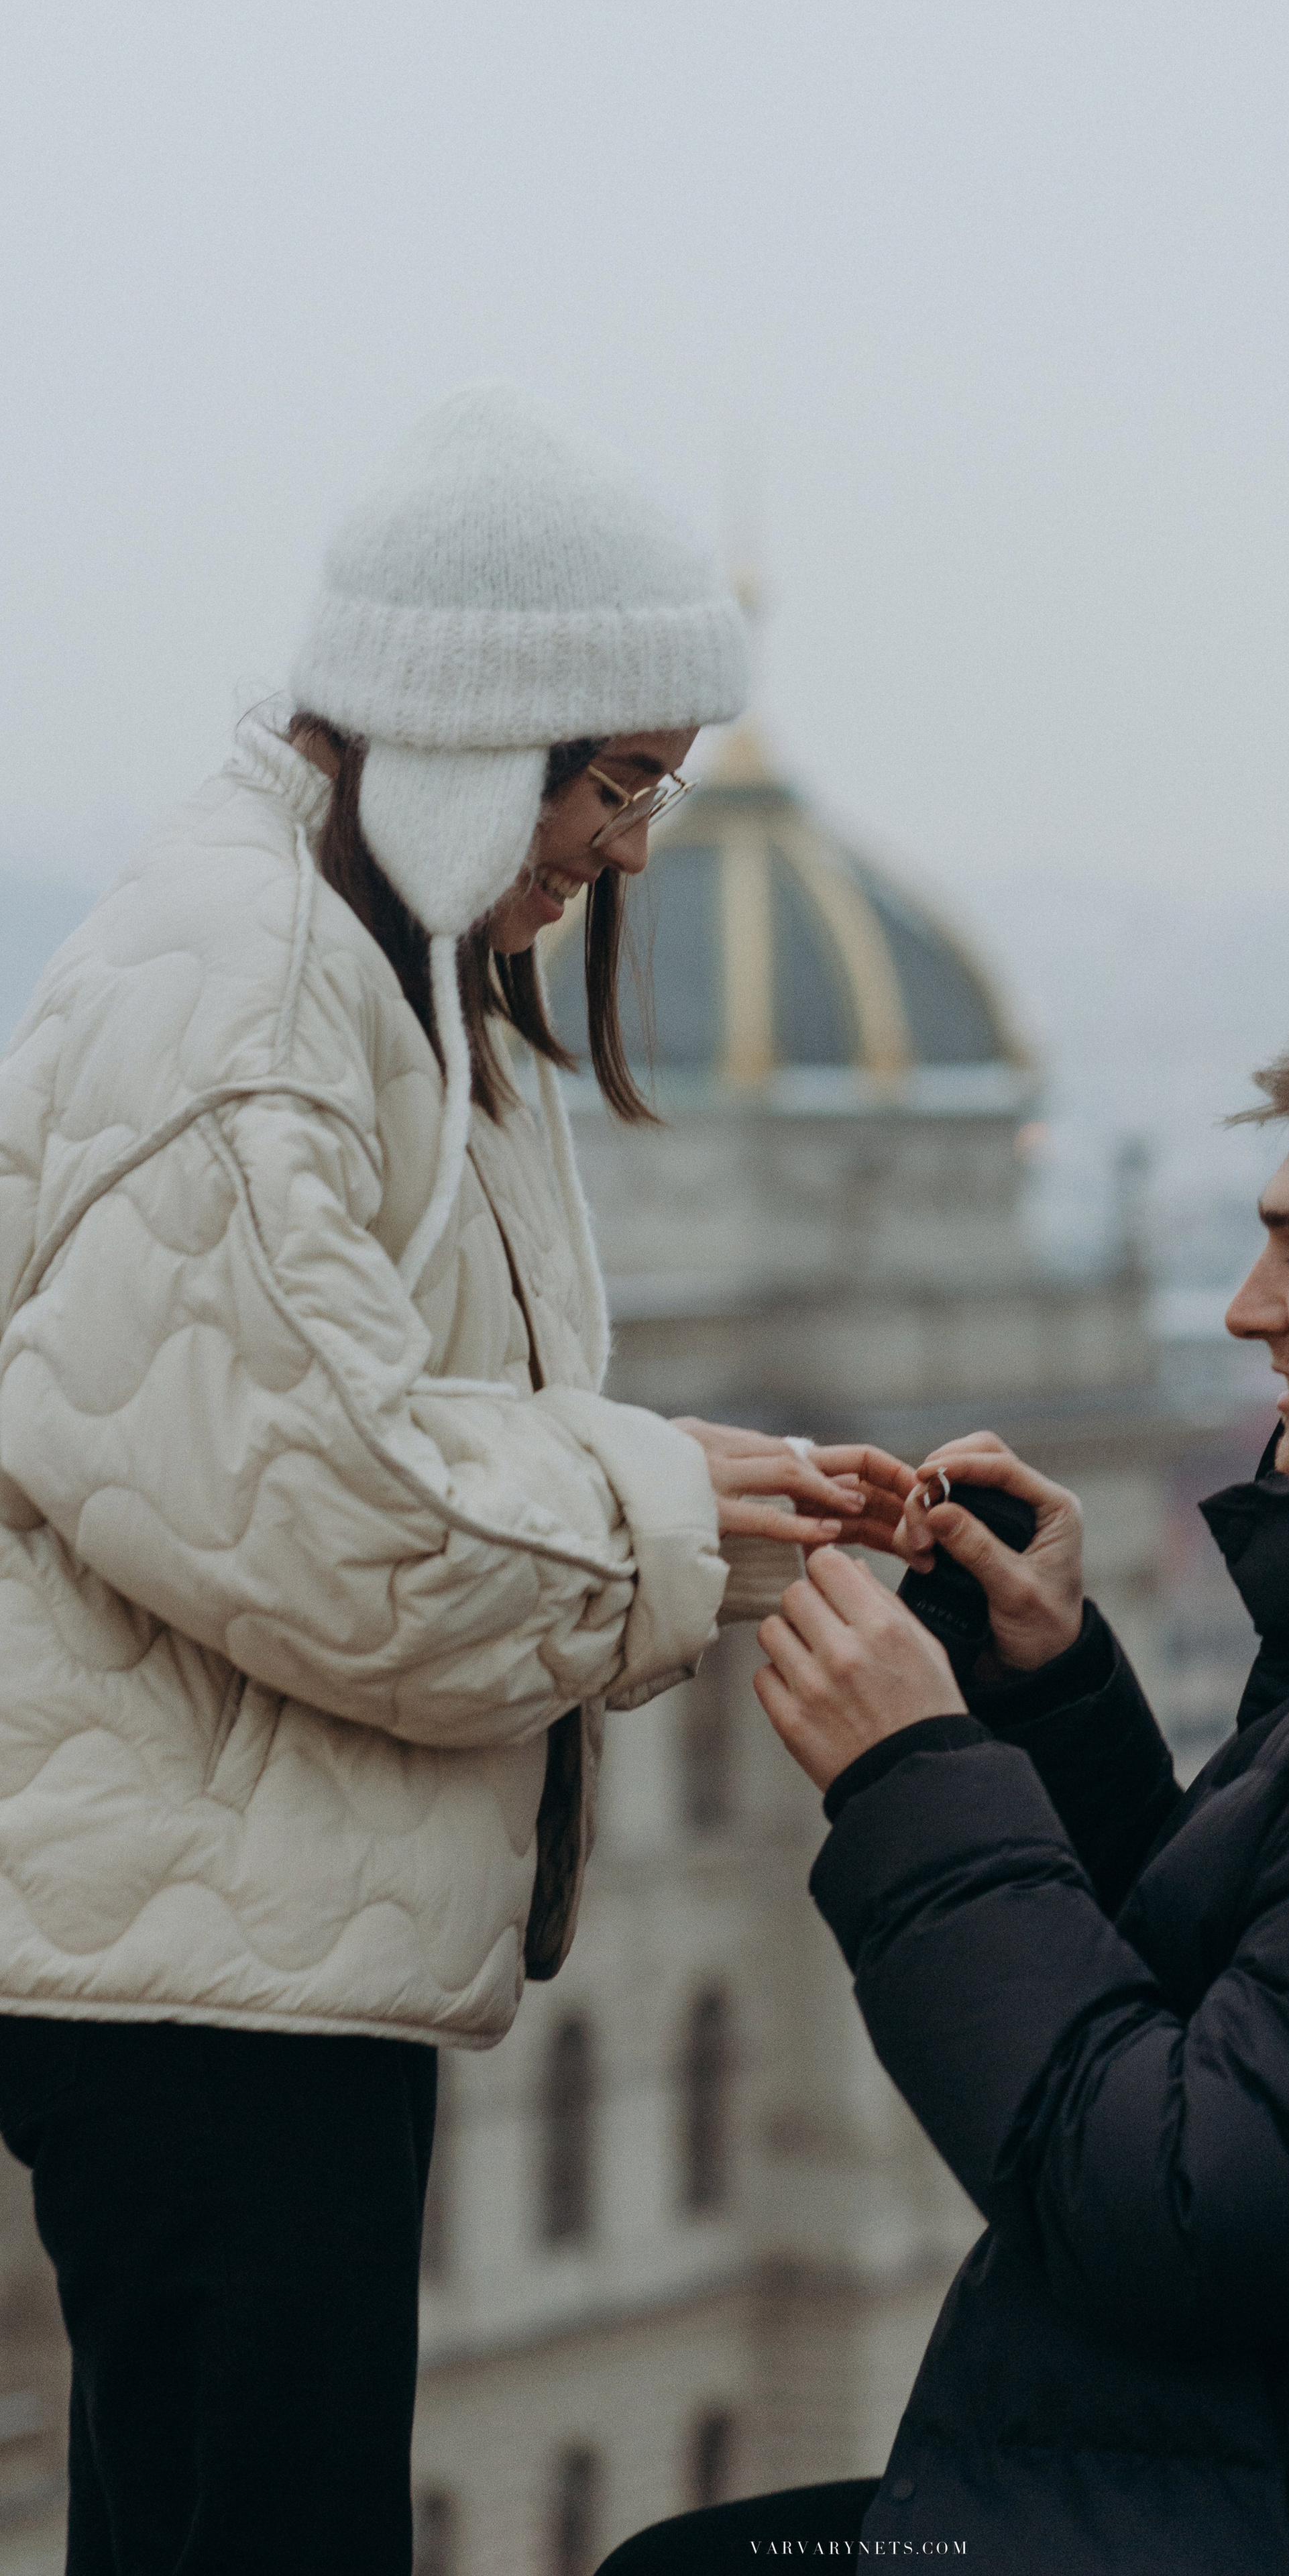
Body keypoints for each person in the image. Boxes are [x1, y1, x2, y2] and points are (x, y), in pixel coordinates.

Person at [0, 384, 911, 2575]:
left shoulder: (361, 950)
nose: (629, 847)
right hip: (210, 1988)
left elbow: (362, 1428)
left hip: (249, 1948)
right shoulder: (250, 987)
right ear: (460, 728)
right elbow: (334, 1519)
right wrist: (678, 1517)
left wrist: (683, 1473)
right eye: (615, 781)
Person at [604, 977, 1289, 2574]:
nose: (1242, 1306)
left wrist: (912, 1774)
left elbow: (1176, 2215)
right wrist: (1048, 1696)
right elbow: (1260, 2027)